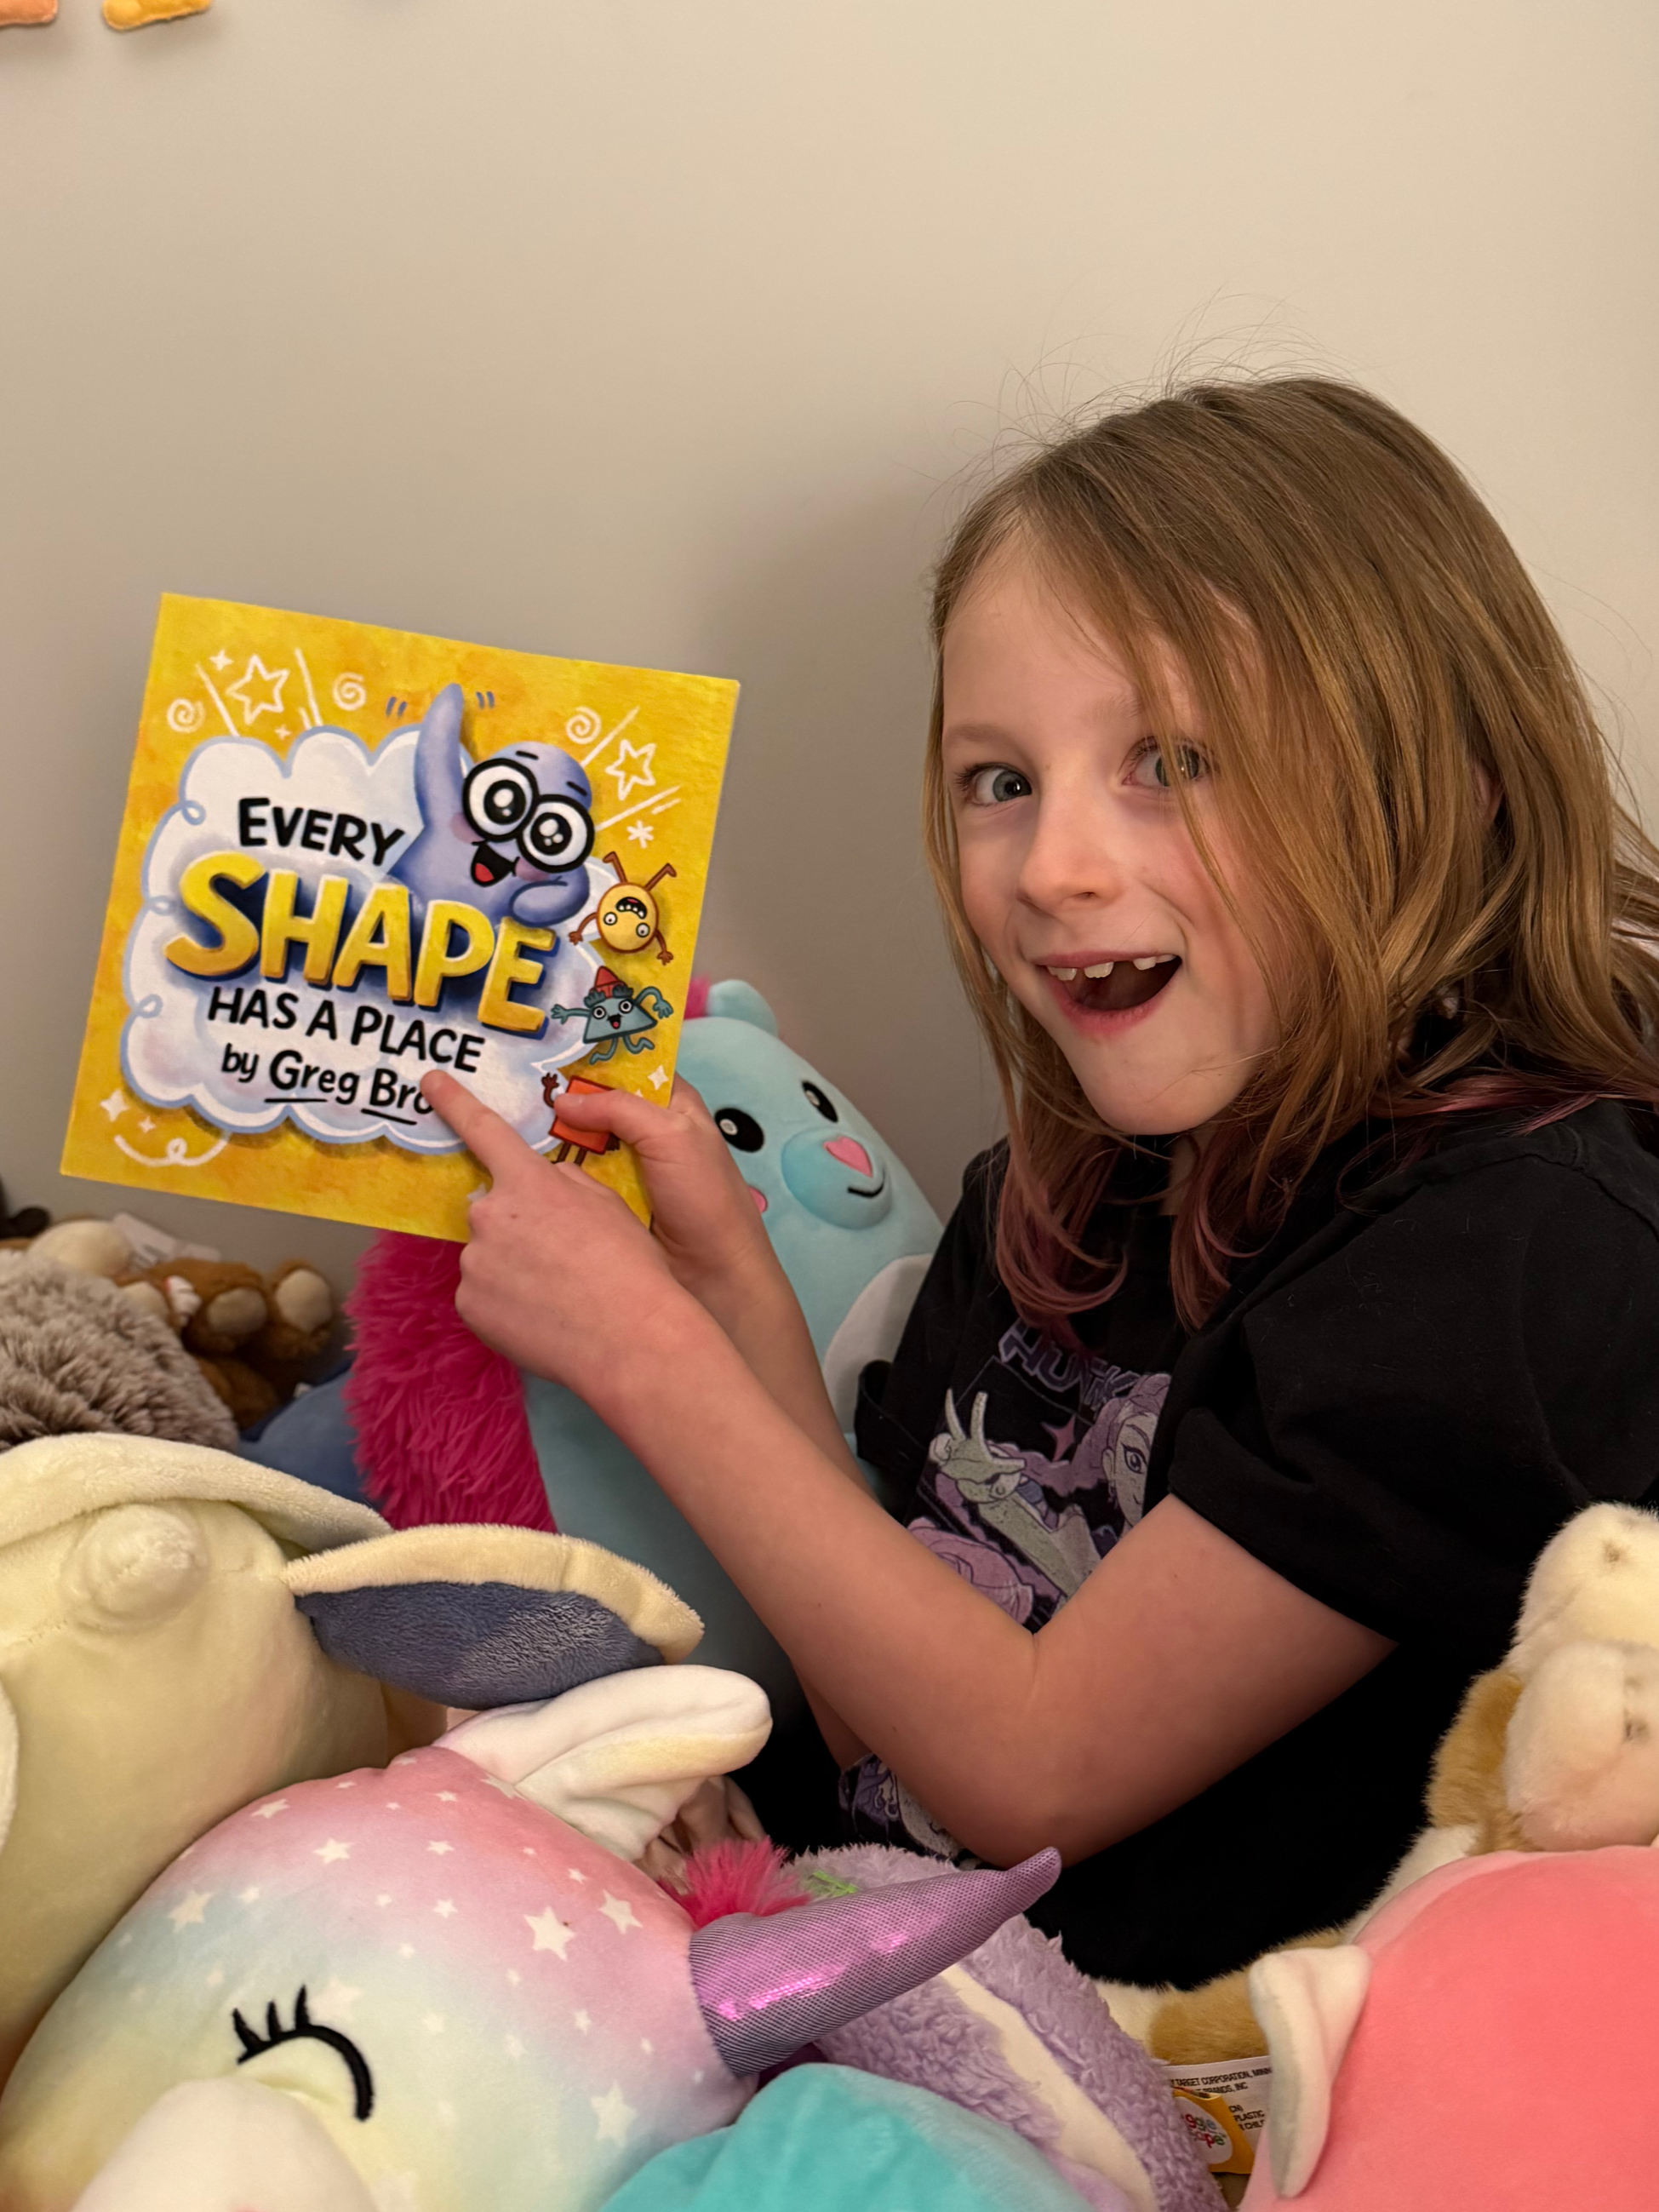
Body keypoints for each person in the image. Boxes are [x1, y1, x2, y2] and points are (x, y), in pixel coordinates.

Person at [421, 377, 1659, 1986]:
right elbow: (891, 1705)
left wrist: (642, 1361)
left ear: (1447, 786)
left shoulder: (1518, 1249)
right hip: (830, 1931)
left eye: (1175, 759)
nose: (1055, 865)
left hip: (1132, 2077)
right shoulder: (1064, 1192)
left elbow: (1026, 1768)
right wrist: (721, 1287)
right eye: (1000, 780)